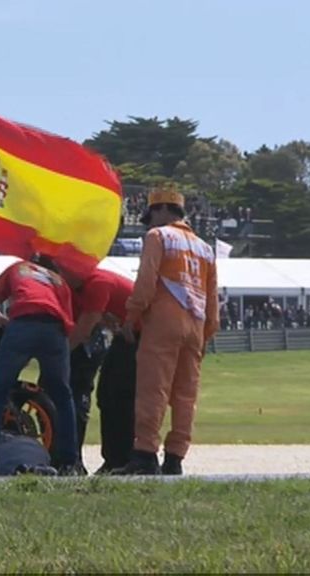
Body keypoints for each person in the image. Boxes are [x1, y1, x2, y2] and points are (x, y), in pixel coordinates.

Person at [120, 188, 219, 476]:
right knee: (186, 395)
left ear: (162, 210)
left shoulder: (158, 237)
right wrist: (205, 334)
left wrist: (132, 316)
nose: (150, 222)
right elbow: (212, 300)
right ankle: (175, 458)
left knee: (154, 389)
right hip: (196, 325)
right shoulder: (205, 248)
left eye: (151, 216)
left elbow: (146, 281)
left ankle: (145, 453)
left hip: (163, 322)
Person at [0, 255, 80, 476]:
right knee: (63, 397)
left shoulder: (17, 268)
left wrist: (4, 322)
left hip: (23, 325)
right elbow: (68, 322)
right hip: (54, 329)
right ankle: (70, 463)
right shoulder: (58, 280)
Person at [64, 267, 139, 474]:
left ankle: (122, 459)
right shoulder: (91, 283)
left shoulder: (97, 283)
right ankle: (114, 458)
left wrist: (62, 354)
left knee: (119, 395)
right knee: (107, 394)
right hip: (125, 335)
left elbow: (84, 328)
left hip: (139, 336)